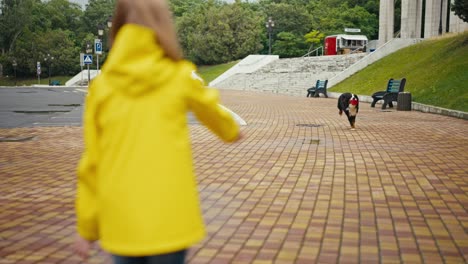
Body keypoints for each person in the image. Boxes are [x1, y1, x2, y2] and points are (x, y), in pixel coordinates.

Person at [73, 0, 242, 263]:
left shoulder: (102, 87)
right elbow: (211, 109)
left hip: (122, 221)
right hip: (170, 220)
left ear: (117, 27)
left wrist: (87, 227)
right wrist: (230, 130)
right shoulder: (177, 75)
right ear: (163, 27)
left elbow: (92, 162)